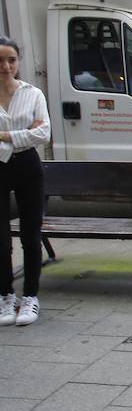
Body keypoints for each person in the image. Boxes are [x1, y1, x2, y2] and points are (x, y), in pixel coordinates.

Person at [0, 35, 51, 327]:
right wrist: (23, 134)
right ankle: (6, 294)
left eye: (12, 60)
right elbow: (32, 133)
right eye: (0, 60)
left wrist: (6, 135)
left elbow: (43, 134)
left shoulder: (33, 94)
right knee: (0, 239)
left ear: (18, 62)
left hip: (28, 167)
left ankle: (30, 296)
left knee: (31, 235)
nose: (6, 66)